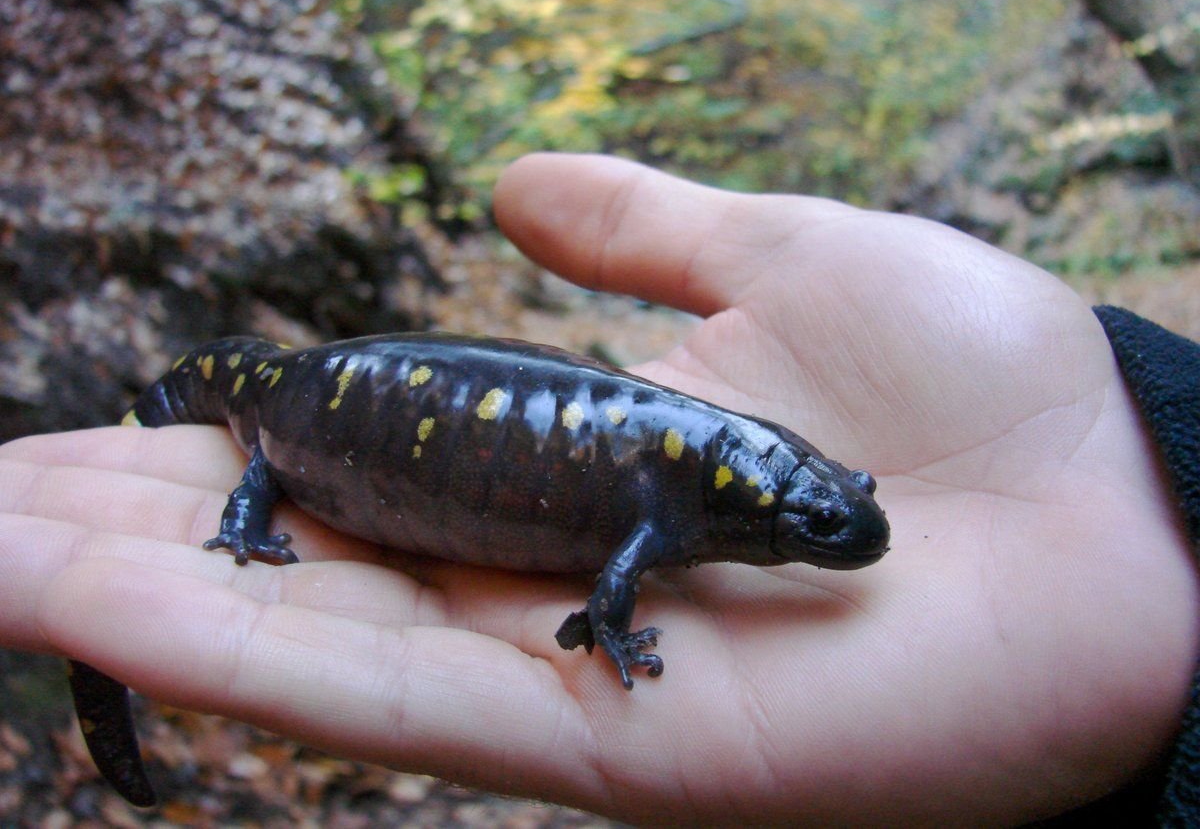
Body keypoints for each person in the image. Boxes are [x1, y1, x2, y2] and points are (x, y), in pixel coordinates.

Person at [0, 153, 1196, 824]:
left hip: (322, 401)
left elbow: (642, 565)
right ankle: (251, 501)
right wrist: (246, 508)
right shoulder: (681, 500)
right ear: (767, 508)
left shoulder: (701, 483)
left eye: (833, 511)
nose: (842, 536)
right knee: (242, 465)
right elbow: (615, 588)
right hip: (290, 411)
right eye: (825, 517)